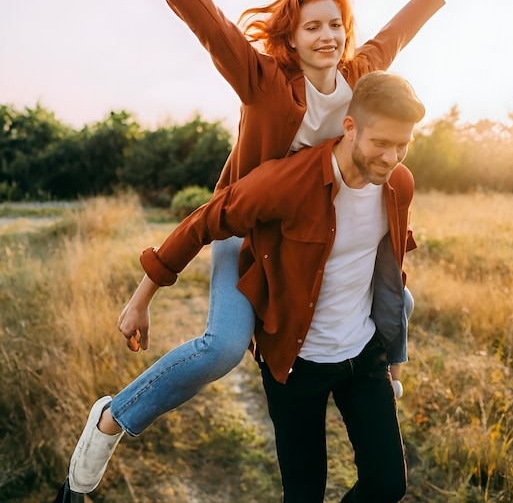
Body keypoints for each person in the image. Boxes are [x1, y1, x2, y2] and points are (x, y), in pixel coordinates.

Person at [55, 0, 473, 499]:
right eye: (312, 28)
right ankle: (114, 416)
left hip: (309, 231)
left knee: (398, 302)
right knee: (224, 347)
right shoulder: (263, 81)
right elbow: (207, 19)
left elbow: (397, 33)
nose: (327, 36)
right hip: (245, 225)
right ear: (292, 37)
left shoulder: (359, 80)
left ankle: (371, 374)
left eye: (336, 25)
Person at [122, 71, 425, 502]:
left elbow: (392, 271)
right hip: (295, 363)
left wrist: (395, 349)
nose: (392, 157)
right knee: (303, 495)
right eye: (382, 143)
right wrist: (142, 298)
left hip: (364, 355)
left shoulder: (399, 184)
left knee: (388, 484)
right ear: (350, 126)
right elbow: (206, 220)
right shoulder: (288, 182)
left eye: (403, 145)